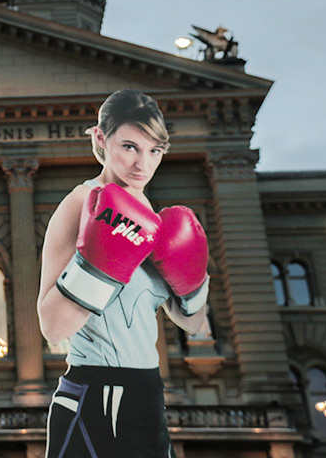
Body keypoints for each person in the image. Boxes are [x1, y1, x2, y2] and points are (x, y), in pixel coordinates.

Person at [37, 89, 210, 458]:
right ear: (101, 139)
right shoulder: (79, 204)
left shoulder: (155, 219)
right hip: (96, 391)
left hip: (147, 390)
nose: (141, 165)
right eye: (130, 146)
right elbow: (52, 327)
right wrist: (100, 264)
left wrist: (192, 285)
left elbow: (193, 325)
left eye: (154, 151)